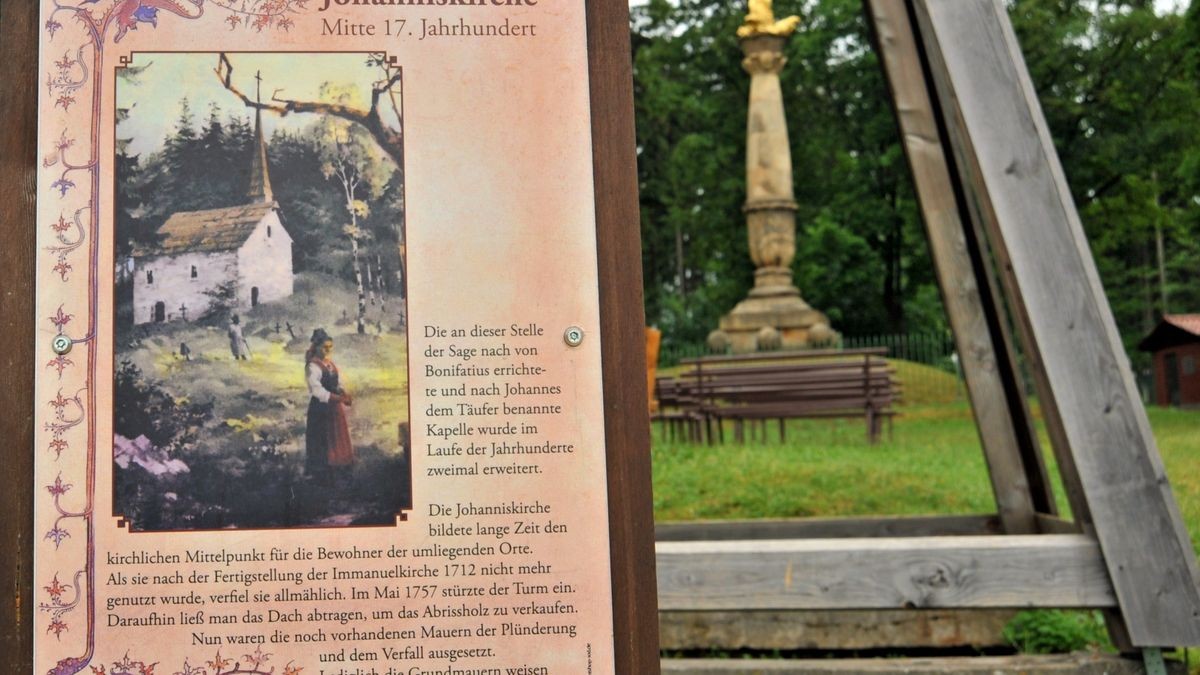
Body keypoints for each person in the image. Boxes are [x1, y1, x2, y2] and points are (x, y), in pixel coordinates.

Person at [304, 328, 354, 476]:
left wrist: (343, 392)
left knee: (337, 437)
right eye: (325, 347)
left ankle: (341, 466)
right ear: (317, 347)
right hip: (320, 409)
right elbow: (317, 390)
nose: (328, 350)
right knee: (322, 438)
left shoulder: (329, 364)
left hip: (334, 408)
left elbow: (335, 383)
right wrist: (337, 398)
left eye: (330, 347)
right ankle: (323, 473)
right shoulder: (312, 366)